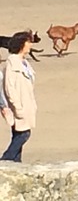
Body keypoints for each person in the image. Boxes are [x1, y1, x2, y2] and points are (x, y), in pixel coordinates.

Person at [1, 32, 37, 162]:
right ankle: (5, 160)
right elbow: (9, 88)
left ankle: (16, 164)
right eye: (29, 42)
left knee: (18, 134)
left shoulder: (24, 62)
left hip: (27, 104)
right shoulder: (12, 63)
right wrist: (17, 107)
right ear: (22, 44)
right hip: (19, 106)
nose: (30, 45)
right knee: (23, 134)